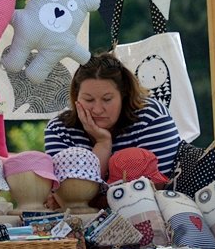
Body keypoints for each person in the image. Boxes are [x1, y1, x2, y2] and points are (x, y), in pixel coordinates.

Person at [44, 52, 181, 179]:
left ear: (124, 95)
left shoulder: (151, 117)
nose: (97, 110)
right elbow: (69, 193)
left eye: (107, 99)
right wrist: (103, 142)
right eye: (89, 100)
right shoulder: (60, 129)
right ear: (76, 97)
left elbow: (158, 185)